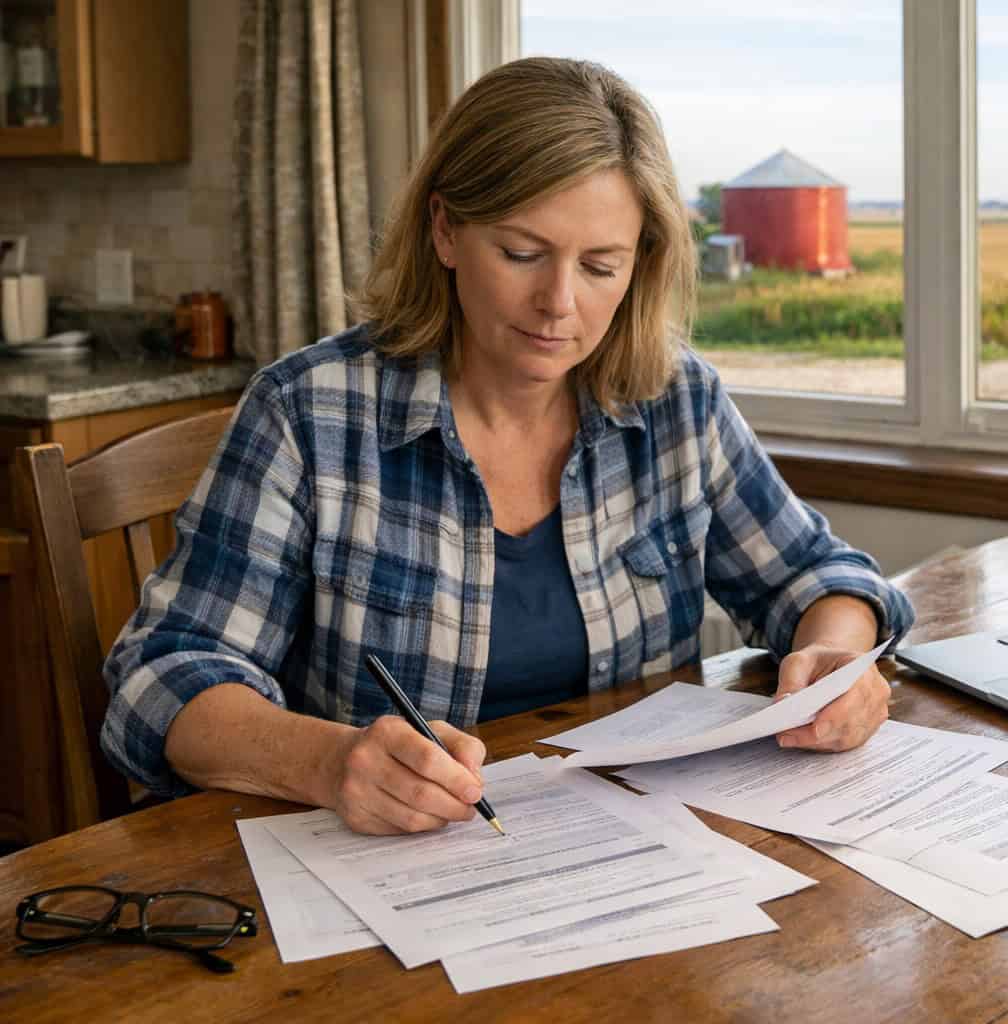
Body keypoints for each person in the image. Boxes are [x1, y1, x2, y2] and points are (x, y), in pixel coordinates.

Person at [102, 58, 914, 837]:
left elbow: (820, 575)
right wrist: (328, 761)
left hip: (635, 858)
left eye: (600, 266)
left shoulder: (675, 401)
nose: (558, 304)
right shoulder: (308, 415)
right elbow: (160, 678)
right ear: (446, 229)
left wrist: (839, 659)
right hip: (380, 875)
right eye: (521, 254)